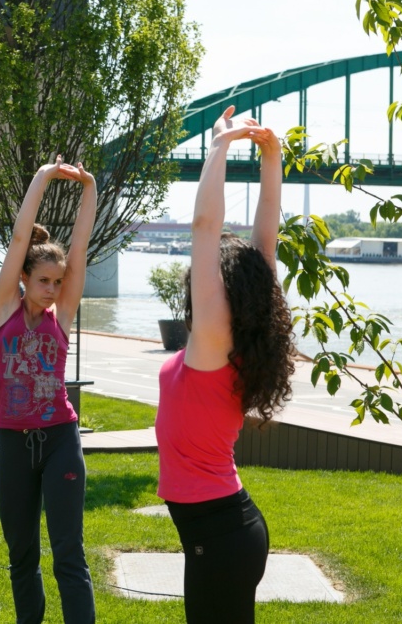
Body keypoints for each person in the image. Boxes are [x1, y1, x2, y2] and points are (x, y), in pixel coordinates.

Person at [155, 106, 294, 623]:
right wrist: (272, 157)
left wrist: (218, 147)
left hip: (220, 536)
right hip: (224, 532)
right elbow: (265, 241)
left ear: (225, 292)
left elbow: (204, 224)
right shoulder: (233, 345)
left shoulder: (212, 343)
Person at [0, 155, 97, 624]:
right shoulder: (3, 310)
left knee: (69, 555)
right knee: (21, 557)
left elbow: (81, 246)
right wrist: (43, 177)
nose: (53, 289)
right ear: (24, 279)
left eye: (58, 282)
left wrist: (89, 187)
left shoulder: (64, 314)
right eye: (44, 281)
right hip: (14, 444)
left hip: (60, 440)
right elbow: (19, 237)